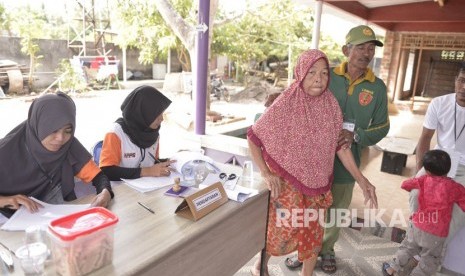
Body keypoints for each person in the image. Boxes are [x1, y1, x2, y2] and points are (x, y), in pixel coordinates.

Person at [247, 49, 378, 276]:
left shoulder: (331, 106)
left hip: (318, 187)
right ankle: (262, 264)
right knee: (280, 233)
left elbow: (341, 147)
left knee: (313, 236)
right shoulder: (286, 102)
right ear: (301, 73)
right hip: (288, 185)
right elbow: (254, 137)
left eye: (324, 73)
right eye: (312, 72)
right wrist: (266, 173)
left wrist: (362, 180)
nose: (319, 78)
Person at [285, 24, 390, 273]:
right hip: (312, 159)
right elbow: (300, 95)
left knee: (336, 211)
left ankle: (326, 249)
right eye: (360, 47)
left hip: (348, 160)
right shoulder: (326, 75)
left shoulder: (377, 87)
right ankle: (305, 250)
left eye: (371, 49)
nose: (366, 53)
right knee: (307, 209)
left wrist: (357, 135)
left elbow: (383, 127)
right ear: (346, 49)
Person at [0, 92, 113, 218]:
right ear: (38, 125)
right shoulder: (5, 151)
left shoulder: (68, 146)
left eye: (68, 131)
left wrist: (105, 192)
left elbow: (98, 176)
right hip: (6, 222)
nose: (60, 138)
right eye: (53, 130)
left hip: (49, 219)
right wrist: (5, 201)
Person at [409, 62, 465, 274]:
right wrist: (419, 173)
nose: (464, 87)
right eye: (462, 80)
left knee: (460, 210)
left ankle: (427, 252)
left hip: (464, 168)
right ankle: (419, 246)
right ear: (456, 80)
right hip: (438, 163)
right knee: (416, 194)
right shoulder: (439, 103)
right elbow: (425, 138)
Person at [382, 150, 465, 276]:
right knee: (430, 259)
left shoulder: (423, 180)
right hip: (436, 234)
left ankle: (392, 269)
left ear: (427, 171)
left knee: (407, 247)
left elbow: (405, 185)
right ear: (448, 170)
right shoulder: (454, 187)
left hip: (417, 225)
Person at [99, 85, 176, 181]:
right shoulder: (115, 134)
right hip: (121, 189)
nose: (161, 119)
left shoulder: (153, 134)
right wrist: (147, 171)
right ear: (143, 112)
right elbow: (107, 171)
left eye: (162, 113)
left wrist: (171, 161)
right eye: (157, 114)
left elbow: (152, 162)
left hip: (147, 187)